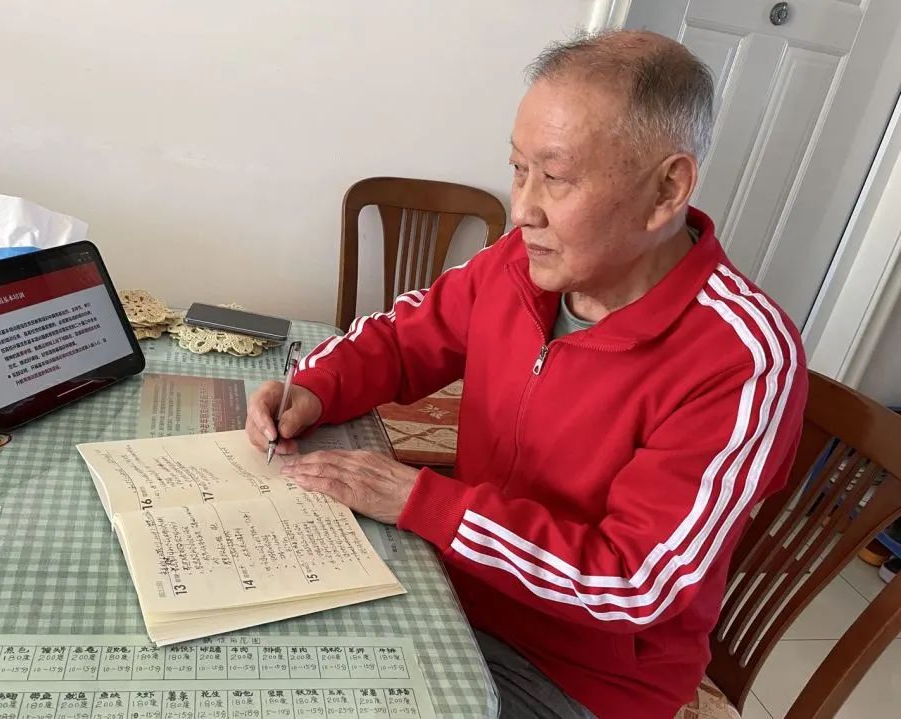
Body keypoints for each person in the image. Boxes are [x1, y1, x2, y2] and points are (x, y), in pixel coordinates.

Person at [246, 29, 808, 719]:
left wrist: (426, 502)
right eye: (519, 169)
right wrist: (314, 386)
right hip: (454, 585)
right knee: (260, 649)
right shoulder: (521, 262)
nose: (523, 209)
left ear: (667, 189)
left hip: (578, 675)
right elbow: (401, 340)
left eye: (557, 177)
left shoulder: (744, 358)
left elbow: (637, 581)